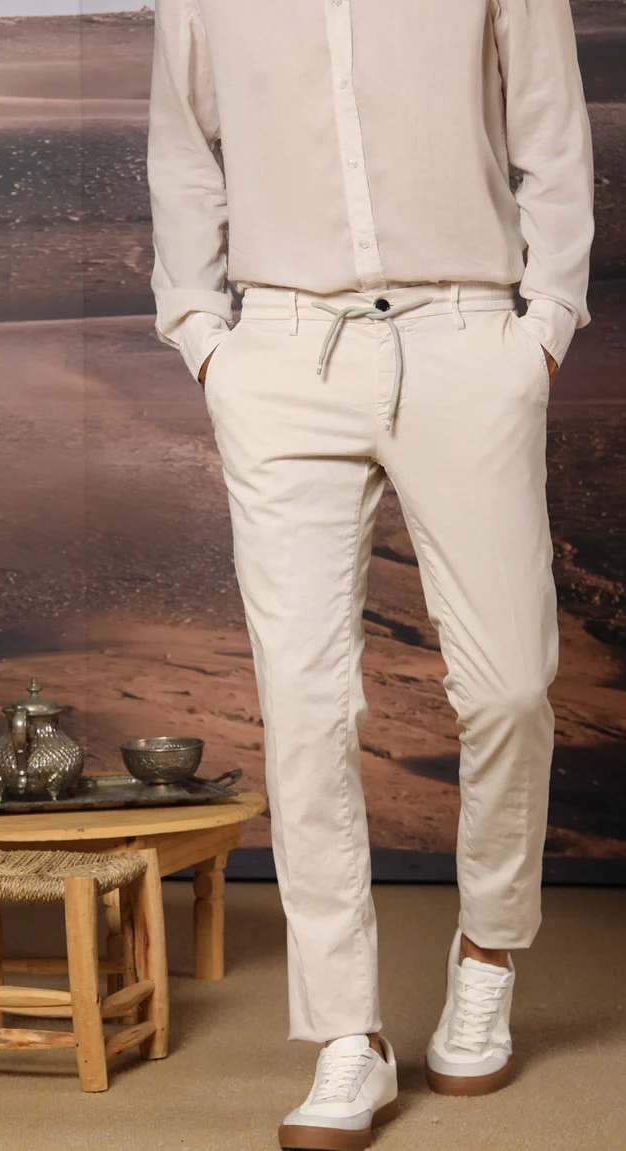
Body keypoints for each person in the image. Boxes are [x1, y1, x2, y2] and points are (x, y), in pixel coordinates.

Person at [146, 1, 594, 1147]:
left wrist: (542, 322)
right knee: (303, 704)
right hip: (282, 355)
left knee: (508, 685)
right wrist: (202, 334)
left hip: (467, 339)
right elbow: (183, 149)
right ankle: (345, 1032)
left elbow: (550, 130)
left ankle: (486, 949)